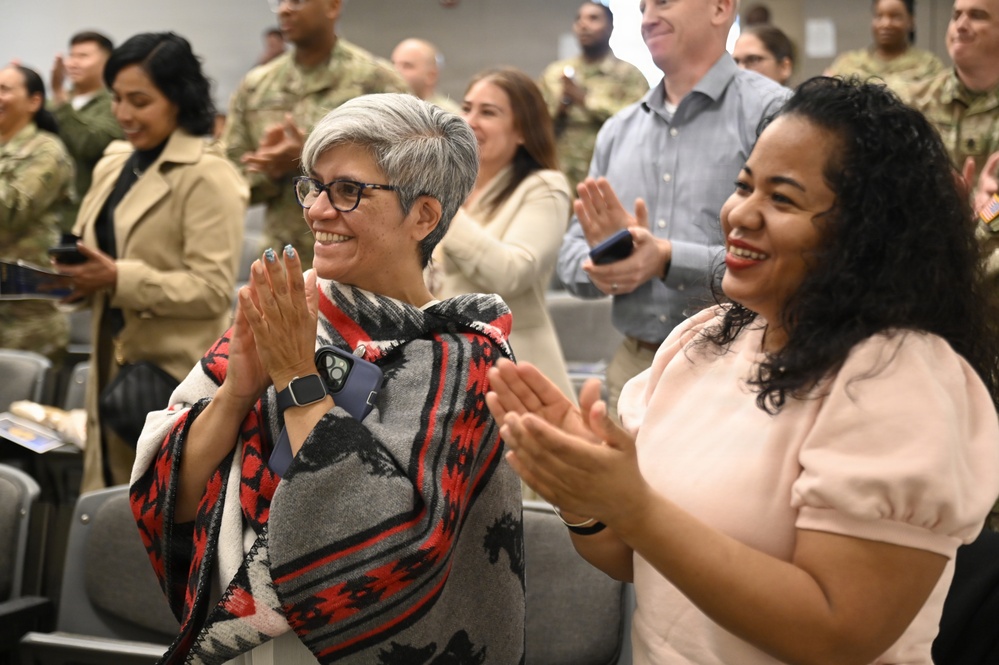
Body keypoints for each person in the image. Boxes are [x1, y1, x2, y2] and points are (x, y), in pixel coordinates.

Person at [487, 76, 999, 665]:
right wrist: (584, 495)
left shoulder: (897, 378)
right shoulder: (707, 339)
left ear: (867, 234)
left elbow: (838, 634)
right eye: (744, 185)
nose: (741, 214)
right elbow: (637, 560)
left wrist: (633, 507)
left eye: (782, 199)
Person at [129, 93, 525, 664]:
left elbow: (395, 547)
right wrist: (239, 391)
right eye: (313, 186)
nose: (316, 210)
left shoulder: (466, 358)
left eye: (348, 191)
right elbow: (173, 501)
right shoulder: (289, 308)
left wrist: (294, 373)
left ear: (424, 216)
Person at [555, 0, 787, 417]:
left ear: (720, 9)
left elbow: (788, 259)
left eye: (663, 2)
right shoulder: (616, 131)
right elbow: (571, 259)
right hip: (633, 366)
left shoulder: (773, 114)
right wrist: (611, 261)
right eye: (642, 7)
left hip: (741, 363)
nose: (647, 18)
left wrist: (665, 258)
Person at [55, 33, 247, 493]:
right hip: (109, 358)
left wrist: (118, 277)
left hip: (172, 377)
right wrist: (76, 281)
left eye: (139, 101)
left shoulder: (208, 173)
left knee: (157, 514)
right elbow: (97, 249)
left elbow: (211, 290)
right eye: (117, 99)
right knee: (104, 505)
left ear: (178, 99)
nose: (123, 114)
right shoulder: (115, 160)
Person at [222, 0, 408, 271]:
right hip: (285, 264)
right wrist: (271, 172)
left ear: (332, 6)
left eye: (297, 1)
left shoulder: (377, 82)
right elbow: (229, 182)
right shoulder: (256, 87)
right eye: (280, 2)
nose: (284, 10)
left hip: (362, 263)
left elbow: (408, 172)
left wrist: (307, 158)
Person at [432, 67, 576, 402]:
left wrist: (443, 211)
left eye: (488, 112)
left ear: (523, 130)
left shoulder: (545, 187)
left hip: (515, 374)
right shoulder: (457, 189)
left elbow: (511, 273)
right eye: (467, 108)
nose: (470, 121)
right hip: (451, 369)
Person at [0, 64, 74, 360]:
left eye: (5, 89)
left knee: (21, 404)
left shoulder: (46, 150)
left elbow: (12, 209)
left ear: (34, 101)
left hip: (25, 317)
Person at [538, 1, 649, 192]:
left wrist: (585, 101)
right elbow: (534, 123)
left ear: (610, 27)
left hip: (610, 180)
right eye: (579, 19)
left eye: (593, 18)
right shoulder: (554, 74)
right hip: (559, 180)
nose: (583, 24)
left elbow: (639, 124)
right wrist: (559, 109)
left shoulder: (629, 76)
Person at [907, 0, 999, 184]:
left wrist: (992, 210)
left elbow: (994, 202)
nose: (961, 25)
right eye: (956, 16)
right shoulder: (914, 102)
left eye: (977, 16)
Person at [49, 30, 123, 228]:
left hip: (84, 218)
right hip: (46, 218)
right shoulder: (52, 105)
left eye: (83, 56)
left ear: (107, 62)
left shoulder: (115, 104)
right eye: (71, 55)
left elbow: (90, 144)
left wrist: (59, 96)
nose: (73, 63)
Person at [825, 0, 944, 97]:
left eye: (895, 17)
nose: (886, 24)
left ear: (911, 21)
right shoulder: (847, 62)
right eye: (879, 16)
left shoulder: (929, 65)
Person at [391, 37, 460, 113]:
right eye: (393, 64)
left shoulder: (446, 115)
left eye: (407, 66)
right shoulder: (390, 106)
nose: (395, 71)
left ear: (431, 76)